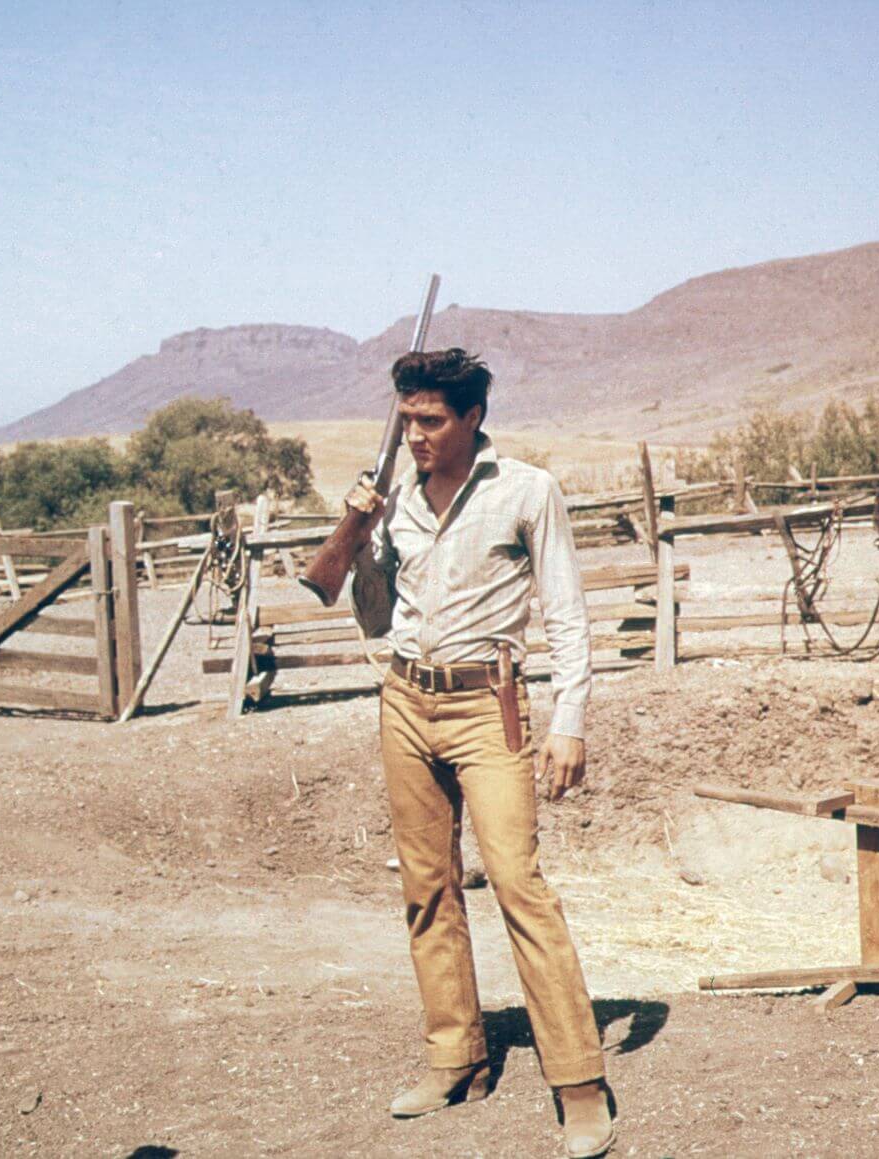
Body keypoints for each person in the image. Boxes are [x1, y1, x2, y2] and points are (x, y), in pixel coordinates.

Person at [346, 348, 615, 1158]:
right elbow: (371, 614)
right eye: (408, 419)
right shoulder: (394, 502)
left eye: (432, 420)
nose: (417, 434)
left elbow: (567, 613)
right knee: (427, 888)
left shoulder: (527, 490)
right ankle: (454, 1057)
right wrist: (360, 537)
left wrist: (569, 720)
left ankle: (578, 1080)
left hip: (489, 705)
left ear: (471, 419)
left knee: (516, 880)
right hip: (404, 700)